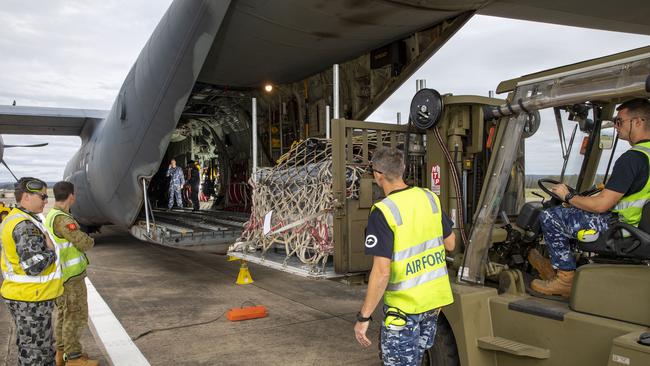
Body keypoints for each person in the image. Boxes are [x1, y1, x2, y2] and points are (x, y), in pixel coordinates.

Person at [531, 98, 650, 297]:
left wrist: (568, 196)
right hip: (639, 229)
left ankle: (565, 280)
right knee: (573, 213)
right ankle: (562, 267)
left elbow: (601, 205)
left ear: (638, 122)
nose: (615, 126)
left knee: (552, 217)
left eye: (619, 121)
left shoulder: (633, 158)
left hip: (624, 229)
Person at [353, 147, 456, 366]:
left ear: (378, 175)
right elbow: (450, 243)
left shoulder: (383, 211)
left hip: (404, 308)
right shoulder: (429, 198)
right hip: (433, 304)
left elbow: (381, 272)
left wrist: (364, 317)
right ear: (403, 170)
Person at [1, 177, 63, 365]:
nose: (46, 200)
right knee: (36, 353)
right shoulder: (24, 226)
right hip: (30, 299)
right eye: (43, 196)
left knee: (36, 347)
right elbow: (34, 266)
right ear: (26, 197)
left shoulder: (19, 218)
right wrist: (51, 250)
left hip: (28, 297)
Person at [46, 181, 98, 366]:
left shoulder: (52, 215)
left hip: (62, 277)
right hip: (71, 278)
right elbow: (84, 242)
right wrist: (90, 240)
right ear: (71, 196)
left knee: (64, 315)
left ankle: (61, 353)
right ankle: (74, 358)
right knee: (75, 316)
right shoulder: (63, 219)